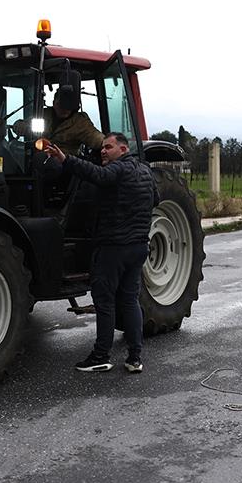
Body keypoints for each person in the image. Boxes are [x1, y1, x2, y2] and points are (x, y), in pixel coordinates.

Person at [43, 132, 156, 373]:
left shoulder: (118, 169)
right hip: (138, 246)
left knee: (105, 302)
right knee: (129, 300)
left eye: (109, 147)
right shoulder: (145, 171)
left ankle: (101, 356)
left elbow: (96, 175)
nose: (103, 151)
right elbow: (155, 199)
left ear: (123, 150)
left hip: (114, 247)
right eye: (102, 147)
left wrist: (66, 159)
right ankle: (135, 358)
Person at [15, 86, 103, 156]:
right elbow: (25, 125)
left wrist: (108, 144)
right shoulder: (44, 115)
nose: (64, 108)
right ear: (54, 103)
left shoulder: (80, 122)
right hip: (39, 158)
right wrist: (20, 125)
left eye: (67, 105)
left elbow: (96, 138)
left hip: (65, 163)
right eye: (60, 104)